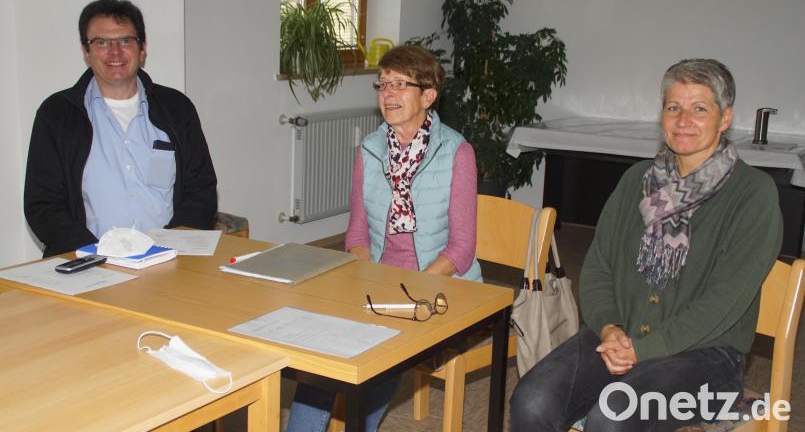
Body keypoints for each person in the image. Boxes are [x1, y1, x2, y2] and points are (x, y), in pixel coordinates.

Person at [510, 59, 783, 431]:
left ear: (725, 118)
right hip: (620, 334)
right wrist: (608, 328)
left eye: (699, 108)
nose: (683, 119)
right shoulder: (635, 180)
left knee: (612, 417)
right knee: (531, 400)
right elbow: (598, 267)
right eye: (674, 107)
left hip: (708, 357)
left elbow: (724, 300)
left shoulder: (753, 194)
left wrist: (643, 350)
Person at [286, 45, 482, 431]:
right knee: (322, 346)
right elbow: (357, 233)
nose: (388, 94)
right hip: (378, 275)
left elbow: (461, 249)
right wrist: (368, 280)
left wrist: (407, 293)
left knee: (377, 349)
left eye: (400, 85)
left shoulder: (457, 152)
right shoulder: (371, 150)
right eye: (383, 84)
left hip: (436, 283)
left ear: (428, 95)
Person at [24, 0, 217, 257]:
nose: (115, 52)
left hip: (168, 262)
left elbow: (201, 190)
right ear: (86, 51)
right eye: (102, 42)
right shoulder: (57, 115)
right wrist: (95, 252)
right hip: (89, 263)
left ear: (142, 48)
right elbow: (43, 204)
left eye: (125, 40)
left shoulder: (177, 108)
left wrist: (166, 249)